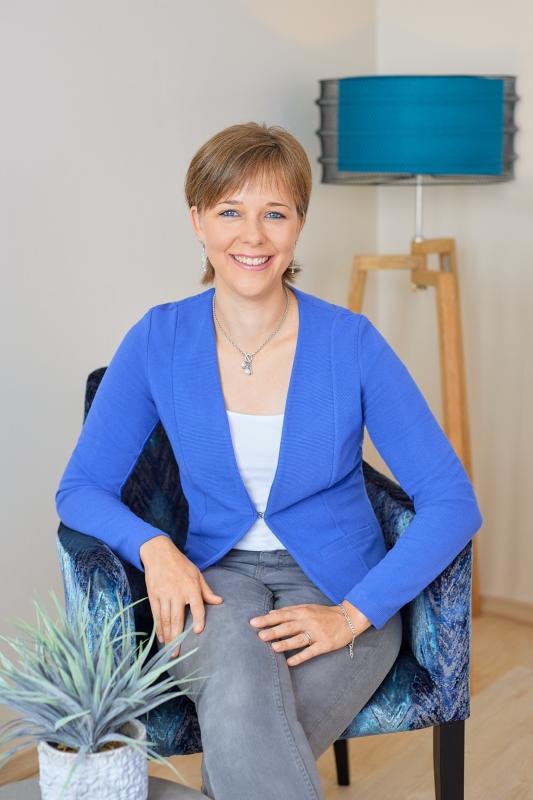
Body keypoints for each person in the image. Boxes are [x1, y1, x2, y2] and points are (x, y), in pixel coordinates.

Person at [55, 122, 483, 800]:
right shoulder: (159, 338)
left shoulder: (351, 343)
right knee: (240, 695)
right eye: (230, 211)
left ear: (298, 225)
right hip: (212, 582)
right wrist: (156, 550)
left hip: (344, 587)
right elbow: (80, 488)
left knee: (245, 721)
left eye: (274, 214)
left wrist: (353, 614)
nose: (252, 237)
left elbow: (451, 503)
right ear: (197, 221)